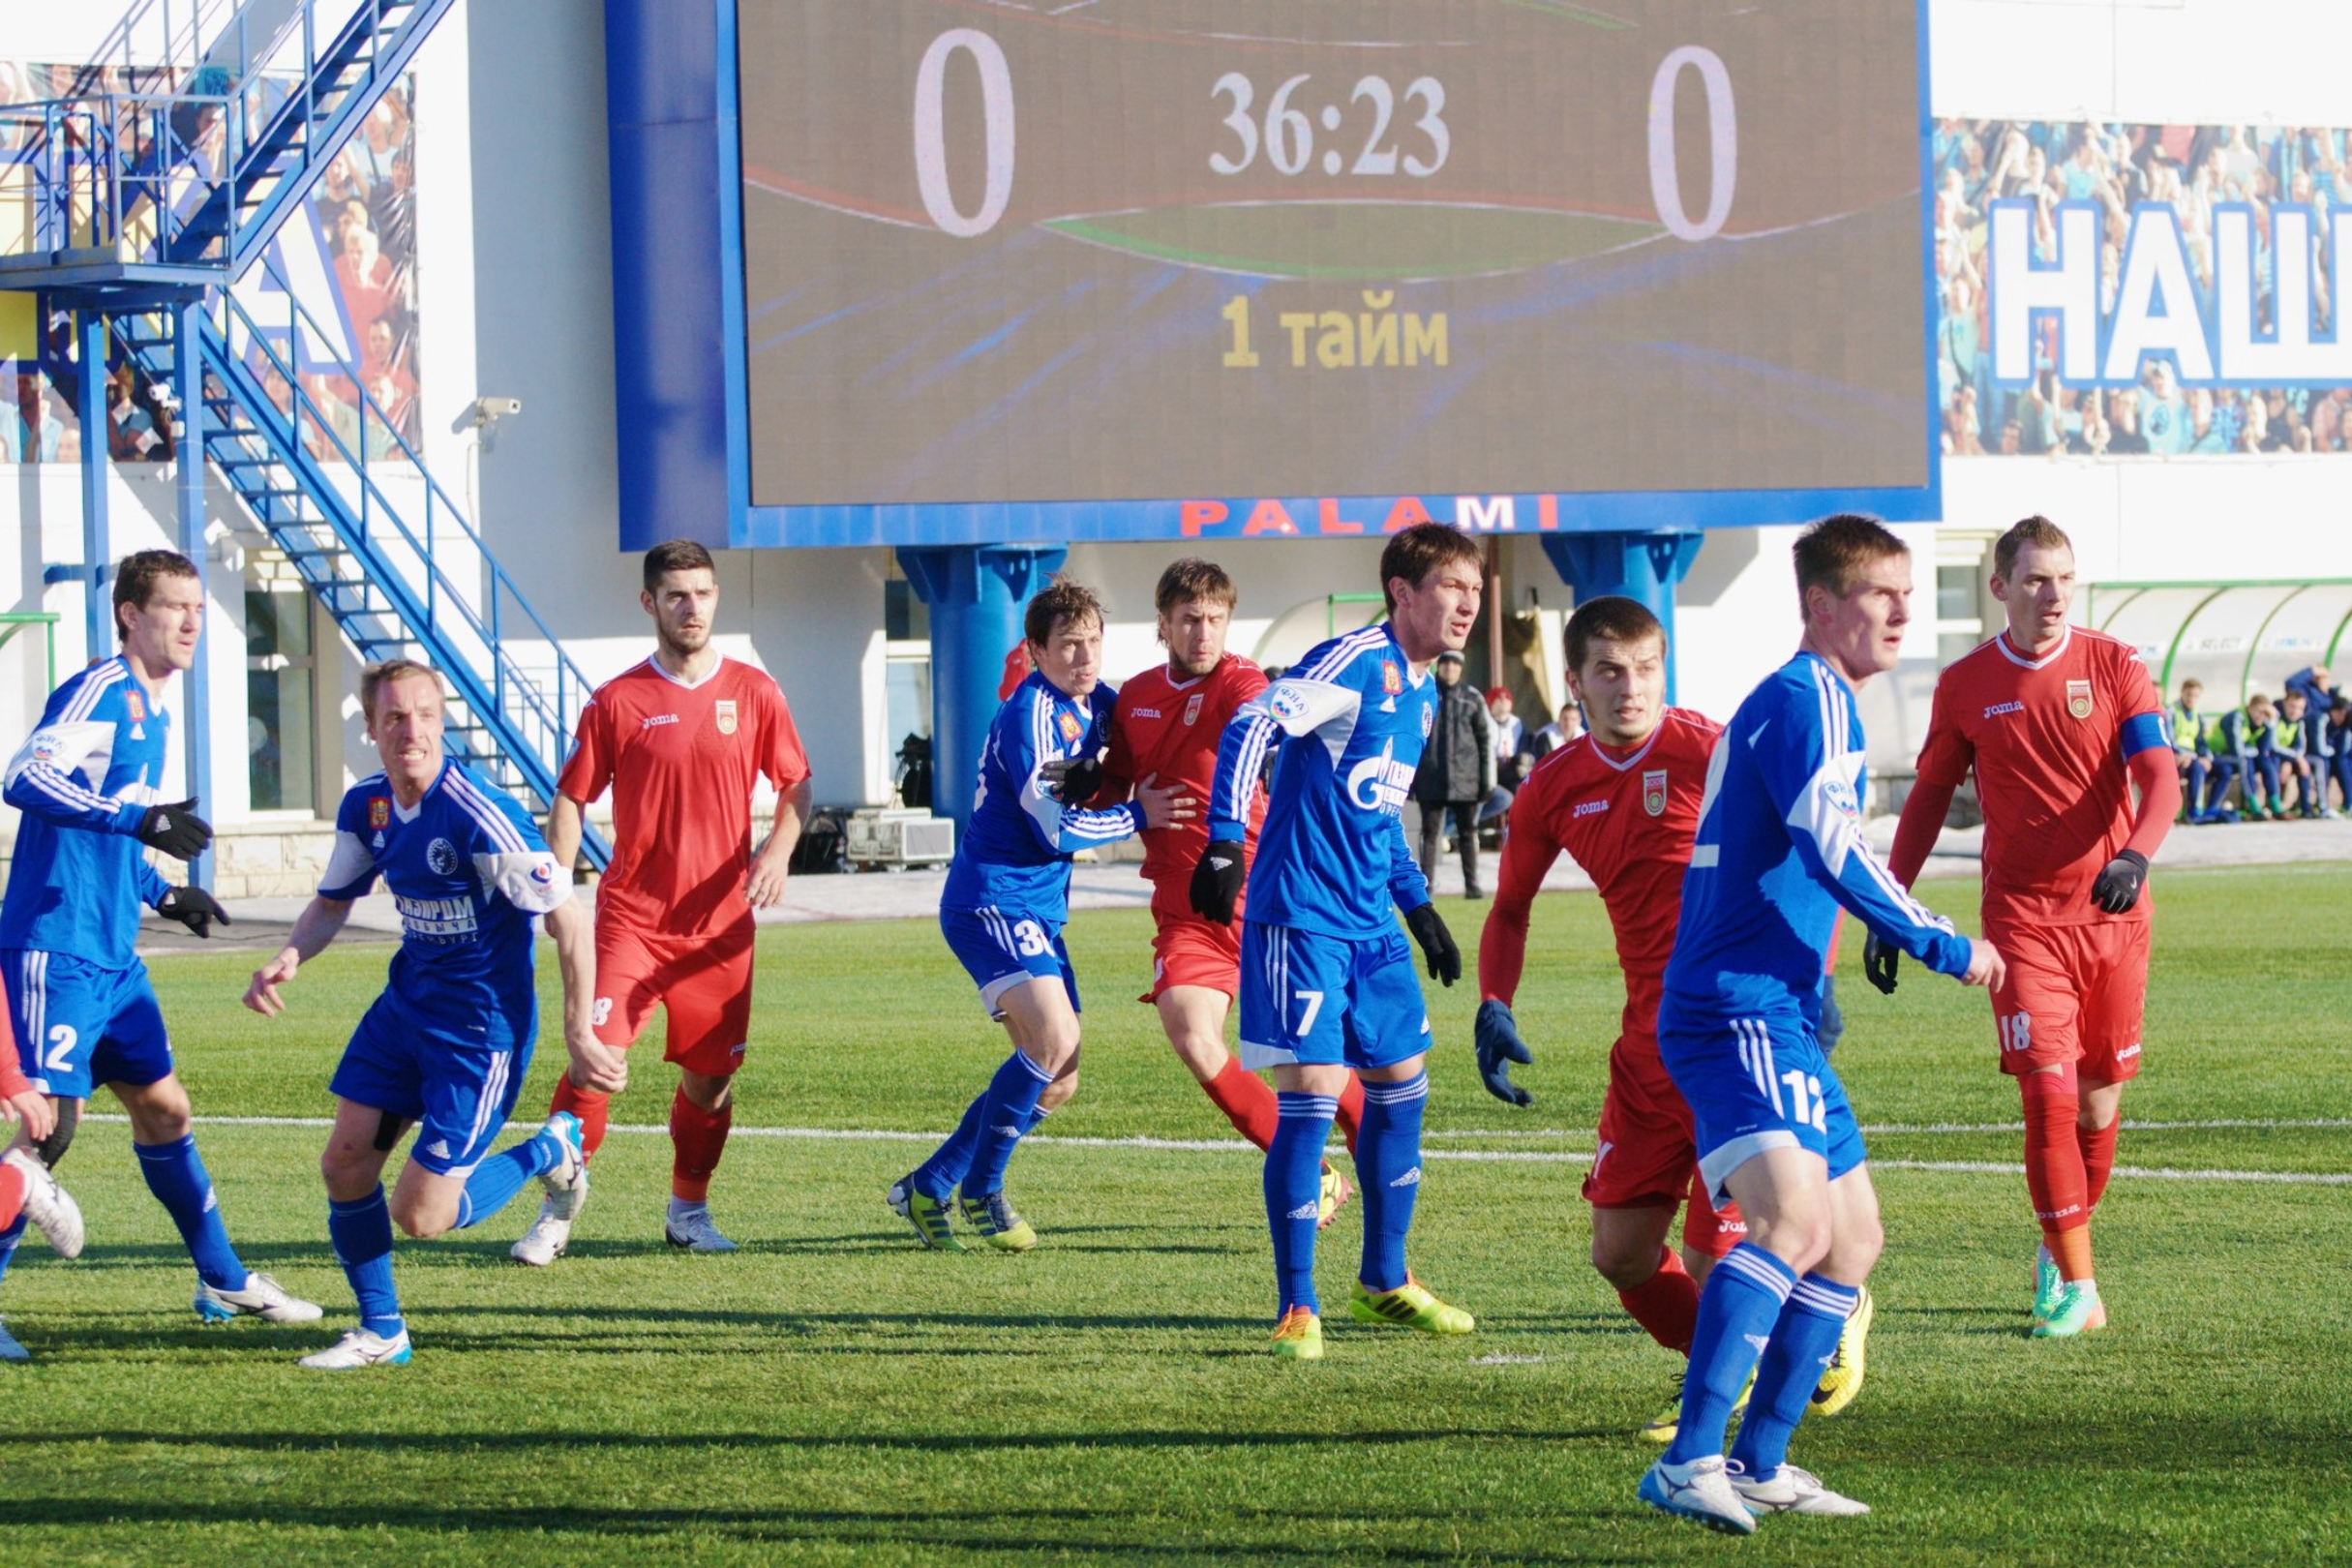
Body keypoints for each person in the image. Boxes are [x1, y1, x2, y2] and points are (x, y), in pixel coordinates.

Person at [1640, 515, 2002, 1532]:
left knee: (1850, 1241)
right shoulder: (1809, 698)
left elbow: (1814, 853)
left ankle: (1758, 1462)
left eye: (1906, 592)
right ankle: (1688, 1459)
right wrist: (1938, 937)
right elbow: (1834, 843)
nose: (1902, 610)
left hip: (1779, 1008)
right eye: (1879, 593)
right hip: (1737, 1006)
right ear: (1819, 605)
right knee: (1791, 1227)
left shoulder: (1811, 702)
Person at [1476, 597, 1793, 1442]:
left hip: (1734, 1035)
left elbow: (1811, 851)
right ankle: (1738, 1362)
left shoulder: (1714, 751)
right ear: (1573, 683)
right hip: (1648, 1046)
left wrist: (1808, 981)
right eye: (1610, 672)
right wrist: (1493, 1003)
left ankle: (1725, 1403)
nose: (1631, 688)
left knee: (1714, 1257)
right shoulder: (1552, 787)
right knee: (1619, 1255)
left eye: (1646, 669)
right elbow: (1509, 909)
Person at [0, 549, 319, 1362]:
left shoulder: (157, 711)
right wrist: (138, 825)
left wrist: (162, 891)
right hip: (56, 947)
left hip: (114, 956)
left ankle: (220, 1277)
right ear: (128, 616)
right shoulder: (100, 690)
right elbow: (25, 780)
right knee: (46, 1130)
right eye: (171, 607)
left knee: (165, 1110)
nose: (188, 622)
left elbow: (107, 825)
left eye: (197, 608)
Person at [242, 660, 597, 1369]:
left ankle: (548, 1151)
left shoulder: (478, 814)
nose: (413, 730)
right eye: (396, 717)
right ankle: (382, 1332)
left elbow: (571, 918)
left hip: (479, 1033)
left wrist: (579, 1031)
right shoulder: (367, 808)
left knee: (422, 1216)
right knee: (344, 1165)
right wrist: (290, 956)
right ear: (371, 728)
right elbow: (334, 902)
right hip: (404, 1012)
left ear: (443, 721)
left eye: (426, 715)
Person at [1190, 522, 1481, 1360]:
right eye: (1451, 588)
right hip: (1300, 916)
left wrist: (1418, 907)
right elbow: (1252, 728)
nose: (1467, 604)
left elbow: (1377, 813)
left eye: (1473, 591)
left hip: (1369, 922)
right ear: (1401, 591)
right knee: (1313, 1097)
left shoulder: (1425, 692)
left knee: (1403, 1089)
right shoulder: (1353, 660)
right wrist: (1222, 841)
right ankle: (1297, 1307)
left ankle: (1384, 1281)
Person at [1883, 516, 2177, 1342]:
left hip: (2114, 916)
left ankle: (2057, 1243)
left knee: (2096, 1103)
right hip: (2022, 926)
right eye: (2037, 579)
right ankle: (2079, 1287)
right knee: (2047, 1097)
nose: (2053, 595)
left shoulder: (2115, 665)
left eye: (2064, 578)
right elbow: (1929, 800)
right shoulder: (1966, 684)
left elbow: (2161, 778)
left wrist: (2135, 856)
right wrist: (1892, 903)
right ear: (2000, 587)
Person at [513, 539, 812, 1264]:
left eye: (704, 593)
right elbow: (571, 798)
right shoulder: (618, 701)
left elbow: (796, 784)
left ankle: (688, 1212)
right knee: (594, 1063)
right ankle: (557, 1209)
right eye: (677, 594)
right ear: (649, 603)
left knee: (710, 1085)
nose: (692, 606)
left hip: (718, 932)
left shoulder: (755, 691)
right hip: (632, 923)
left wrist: (775, 853)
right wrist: (557, 893)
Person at [887, 580, 1189, 1250]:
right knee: (1049, 1044)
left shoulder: (1094, 702)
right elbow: (1055, 832)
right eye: (1069, 644)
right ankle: (982, 1192)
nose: (1084, 656)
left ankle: (931, 1183)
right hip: (991, 898)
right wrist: (1141, 813)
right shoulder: (1031, 718)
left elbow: (1144, 720)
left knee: (1060, 1078)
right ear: (1036, 651)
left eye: (1093, 641)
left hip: (1035, 908)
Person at [1100, 558, 1361, 1227]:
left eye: (1215, 619)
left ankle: (1381, 1159)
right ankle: (1315, 1173)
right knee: (1192, 1035)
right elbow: (1118, 782)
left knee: (1317, 1060)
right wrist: (1085, 783)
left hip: (1262, 894)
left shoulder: (1241, 680)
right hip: (1185, 912)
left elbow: (1260, 717)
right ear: (1163, 624)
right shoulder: (1133, 697)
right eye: (1190, 619)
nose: (1204, 633)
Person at [1410, 649, 1493, 898]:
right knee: (1430, 834)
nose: (1450, 669)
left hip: (1465, 779)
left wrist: (1486, 780)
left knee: (1468, 833)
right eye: (1445, 663)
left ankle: (1472, 884)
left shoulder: (1472, 698)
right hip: (1431, 777)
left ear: (1461, 668)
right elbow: (1412, 737)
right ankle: (1426, 886)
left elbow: (1485, 741)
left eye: (1455, 664)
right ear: (1439, 666)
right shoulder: (1424, 694)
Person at [2206, 694, 2278, 821]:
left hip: (2237, 755)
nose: (2261, 715)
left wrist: (2271, 723)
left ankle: (2276, 806)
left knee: (2266, 762)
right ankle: (2254, 807)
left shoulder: (2263, 721)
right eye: (2259, 711)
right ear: (2250, 708)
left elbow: (2265, 749)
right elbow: (2236, 749)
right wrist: (2255, 750)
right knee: (2245, 762)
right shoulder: (2236, 717)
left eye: (2265, 712)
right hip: (2217, 754)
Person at [2169, 678, 2210, 821]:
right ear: (2182, 692)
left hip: (2191, 756)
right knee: (2192, 768)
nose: (2191, 698)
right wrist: (2181, 754)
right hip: (2175, 754)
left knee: (2205, 767)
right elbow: (2169, 738)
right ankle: (2183, 811)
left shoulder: (2198, 715)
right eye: (2189, 694)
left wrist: (2206, 756)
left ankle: (2197, 810)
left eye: (2195, 696)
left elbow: (2200, 741)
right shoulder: (2172, 711)